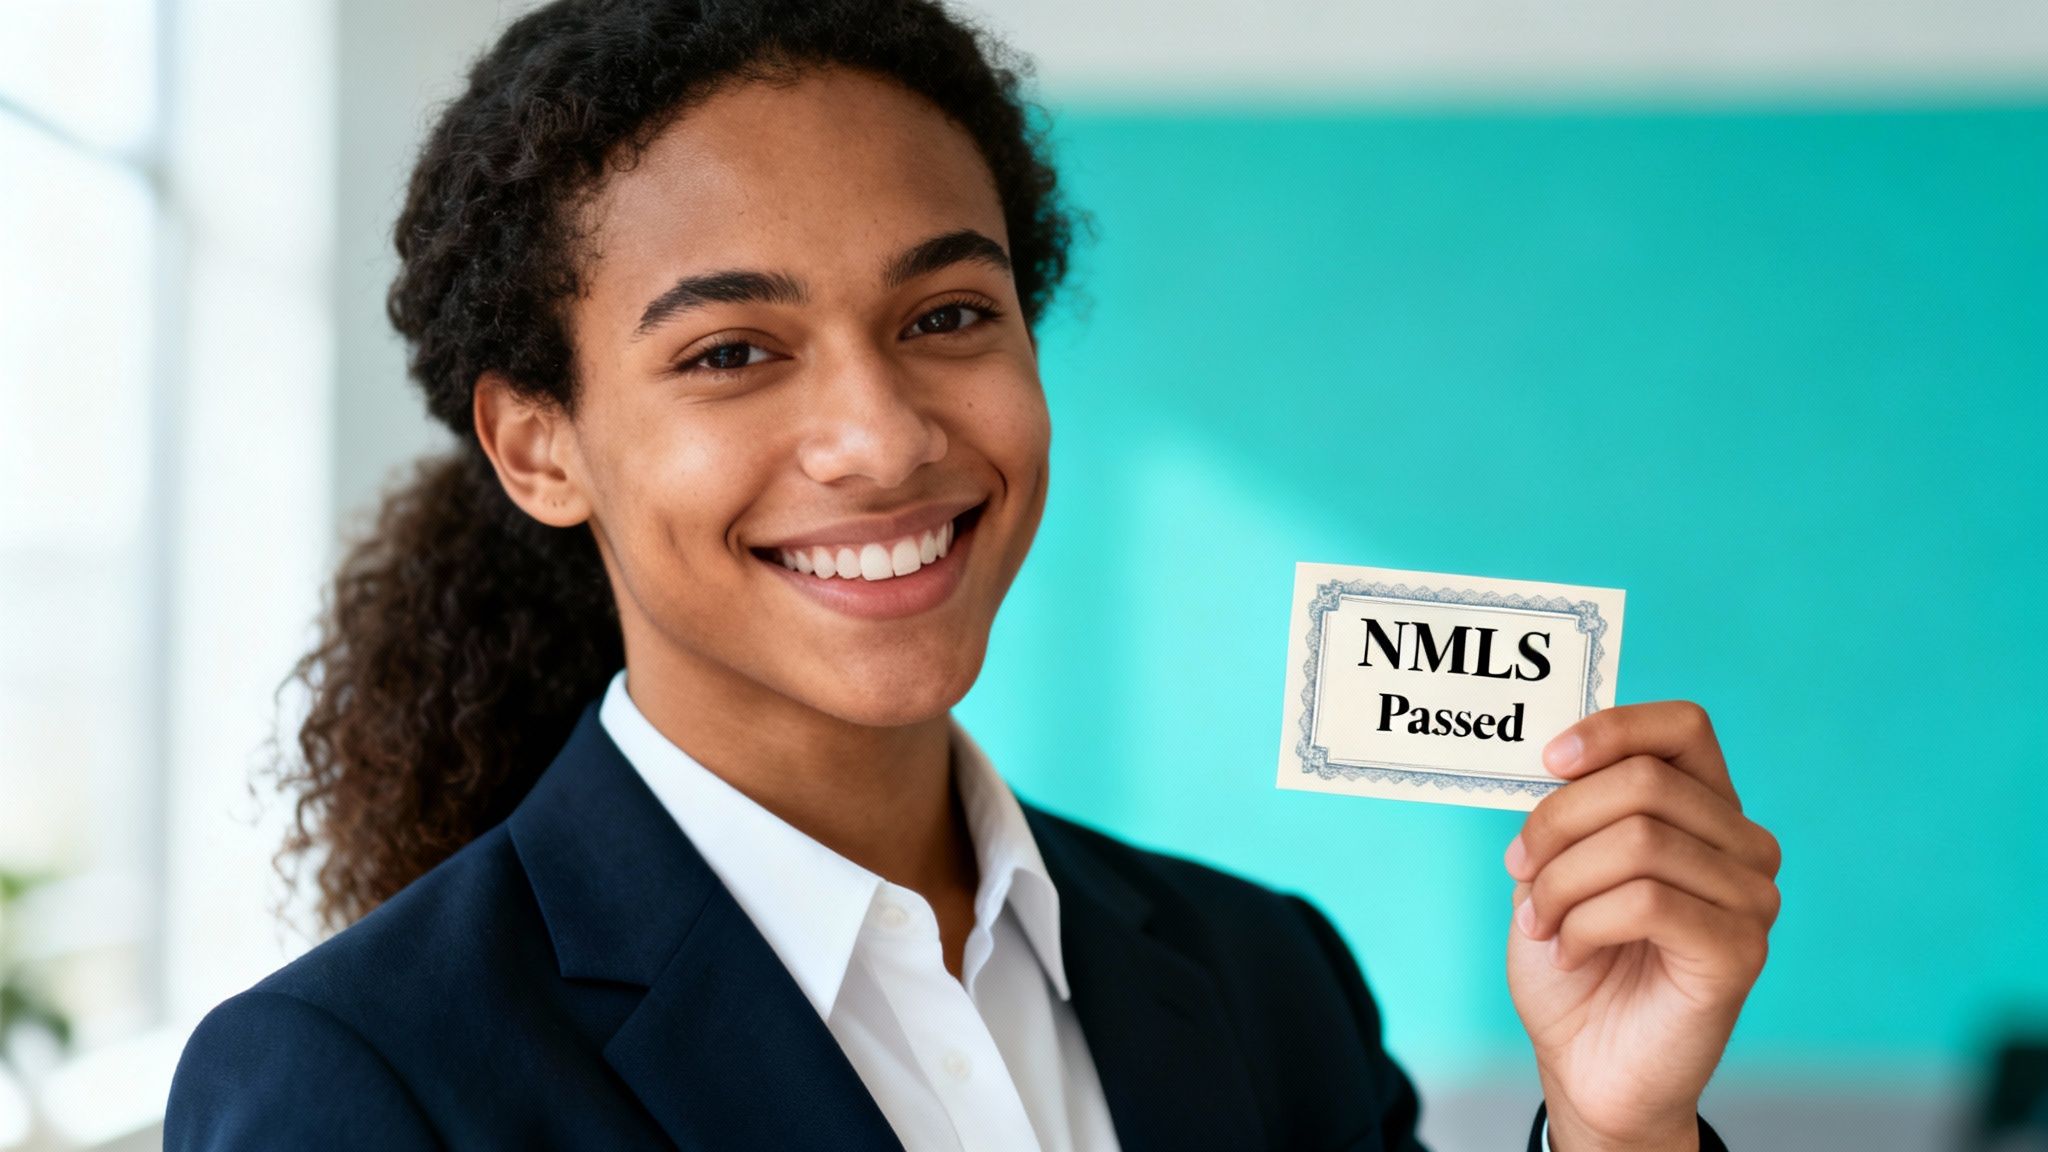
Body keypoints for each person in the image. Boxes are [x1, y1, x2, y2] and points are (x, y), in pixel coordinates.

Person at [163, 1, 1782, 1148]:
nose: (879, 437)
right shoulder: (356, 1085)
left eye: (946, 316)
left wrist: (1617, 1125)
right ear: (539, 450)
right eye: (734, 352)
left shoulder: (1263, 979)